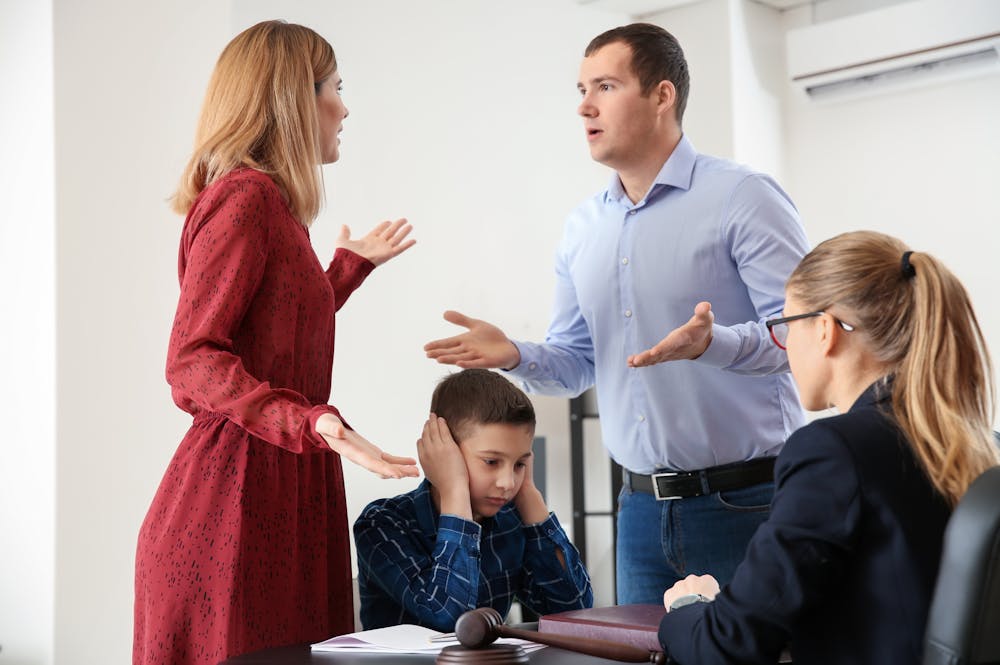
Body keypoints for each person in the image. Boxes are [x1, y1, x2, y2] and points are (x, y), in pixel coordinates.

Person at [424, 23, 808, 604]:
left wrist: (715, 344)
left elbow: (801, 336)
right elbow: (577, 364)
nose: (584, 106)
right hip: (640, 515)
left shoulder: (743, 196)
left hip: (747, 503)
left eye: (605, 86)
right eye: (581, 89)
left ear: (661, 96)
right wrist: (515, 355)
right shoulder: (584, 228)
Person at [133, 20, 420, 665]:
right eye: (334, 89)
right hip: (236, 500)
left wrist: (345, 270)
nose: (344, 108)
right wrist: (310, 419)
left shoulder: (271, 206)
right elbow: (192, 359)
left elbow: (276, 328)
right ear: (291, 99)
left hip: (282, 487)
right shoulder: (245, 199)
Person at [658, 231, 1000, 664]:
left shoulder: (833, 451)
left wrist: (688, 609)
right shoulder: (970, 442)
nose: (784, 347)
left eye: (784, 325)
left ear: (825, 329)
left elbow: (728, 643)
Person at [353, 369, 593, 632]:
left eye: (519, 463)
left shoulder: (510, 521)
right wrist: (454, 490)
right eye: (491, 461)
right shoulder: (382, 524)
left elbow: (574, 610)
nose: (507, 482)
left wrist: (529, 494)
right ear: (444, 451)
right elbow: (449, 616)